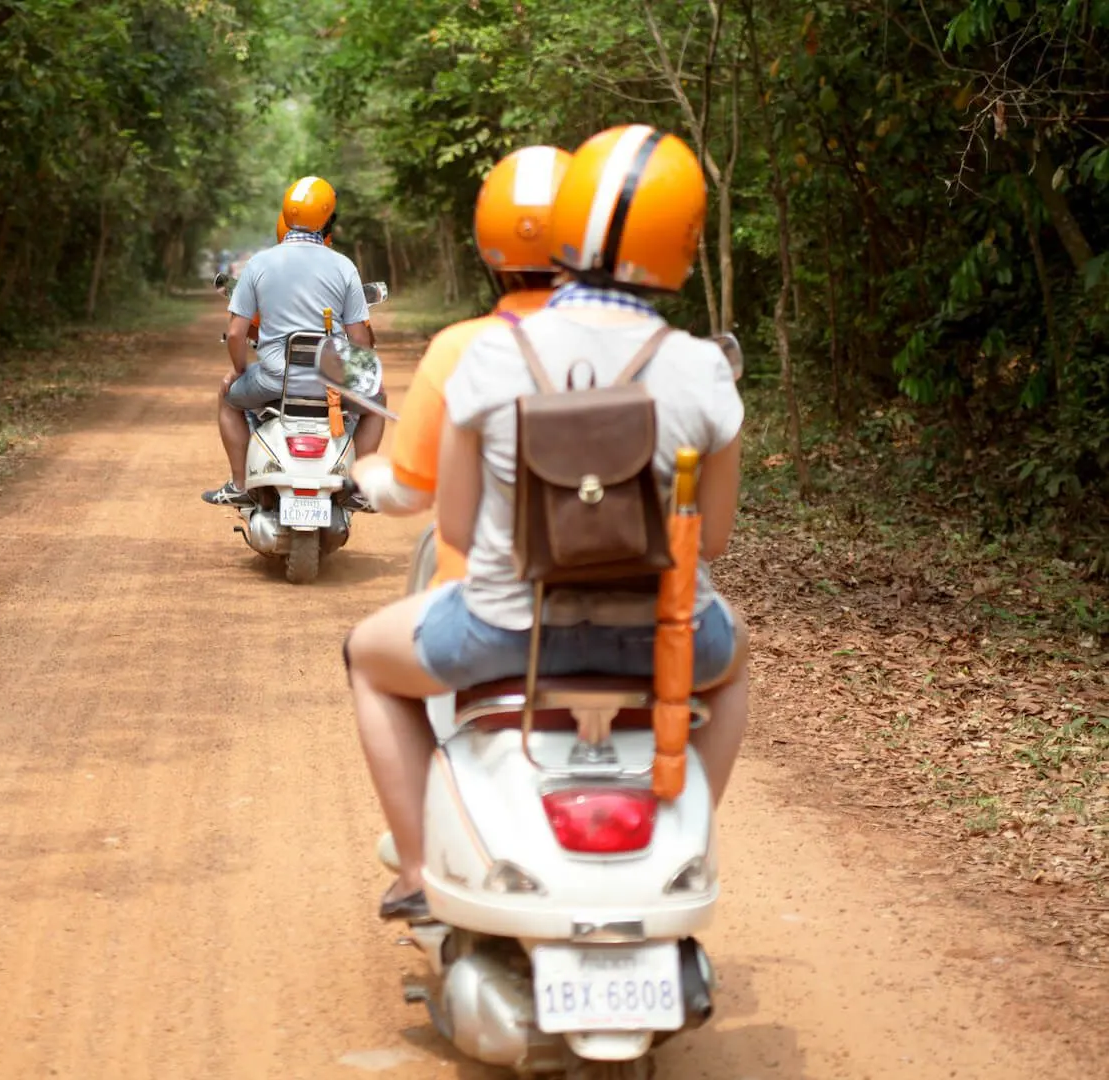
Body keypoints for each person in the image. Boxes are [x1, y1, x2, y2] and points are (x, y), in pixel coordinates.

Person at [343, 124, 750, 923]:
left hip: (502, 630)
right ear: (685, 245)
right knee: (734, 665)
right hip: (664, 636)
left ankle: (421, 871)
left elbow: (452, 527)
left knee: (366, 658)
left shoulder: (493, 356)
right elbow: (719, 536)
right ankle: (685, 836)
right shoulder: (702, 367)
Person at [349, 145, 575, 587]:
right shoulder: (647, 346)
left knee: (365, 649)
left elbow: (408, 493)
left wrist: (367, 470)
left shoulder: (459, 349)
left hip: (489, 611)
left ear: (487, 247)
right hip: (629, 611)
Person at [202, 177, 382, 508]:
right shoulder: (344, 266)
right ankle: (359, 490)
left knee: (228, 399)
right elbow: (359, 338)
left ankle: (240, 484)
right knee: (377, 403)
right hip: (332, 385)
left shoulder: (259, 264)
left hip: (274, 381)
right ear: (328, 218)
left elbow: (238, 333)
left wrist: (240, 372)